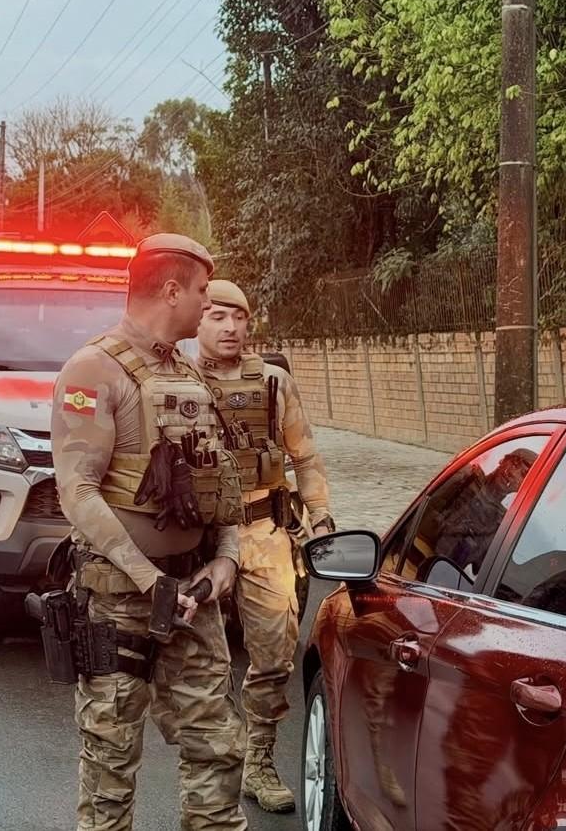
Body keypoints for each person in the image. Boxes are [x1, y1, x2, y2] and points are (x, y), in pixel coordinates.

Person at [52, 234, 248, 830]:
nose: (205, 306)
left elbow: (220, 490)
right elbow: (77, 491)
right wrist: (149, 578)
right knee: (110, 770)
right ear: (170, 291)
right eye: (199, 294)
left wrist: (227, 562)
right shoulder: (91, 371)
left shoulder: (189, 377)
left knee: (218, 752)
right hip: (118, 603)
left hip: (195, 599)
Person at [193, 280, 334, 813]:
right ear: (197, 320)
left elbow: (306, 457)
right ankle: (209, 769)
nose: (230, 327)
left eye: (239, 318)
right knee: (200, 662)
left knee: (276, 652)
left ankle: (259, 760)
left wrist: (320, 515)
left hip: (263, 529)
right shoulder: (174, 381)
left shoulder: (273, 383)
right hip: (199, 537)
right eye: (217, 316)